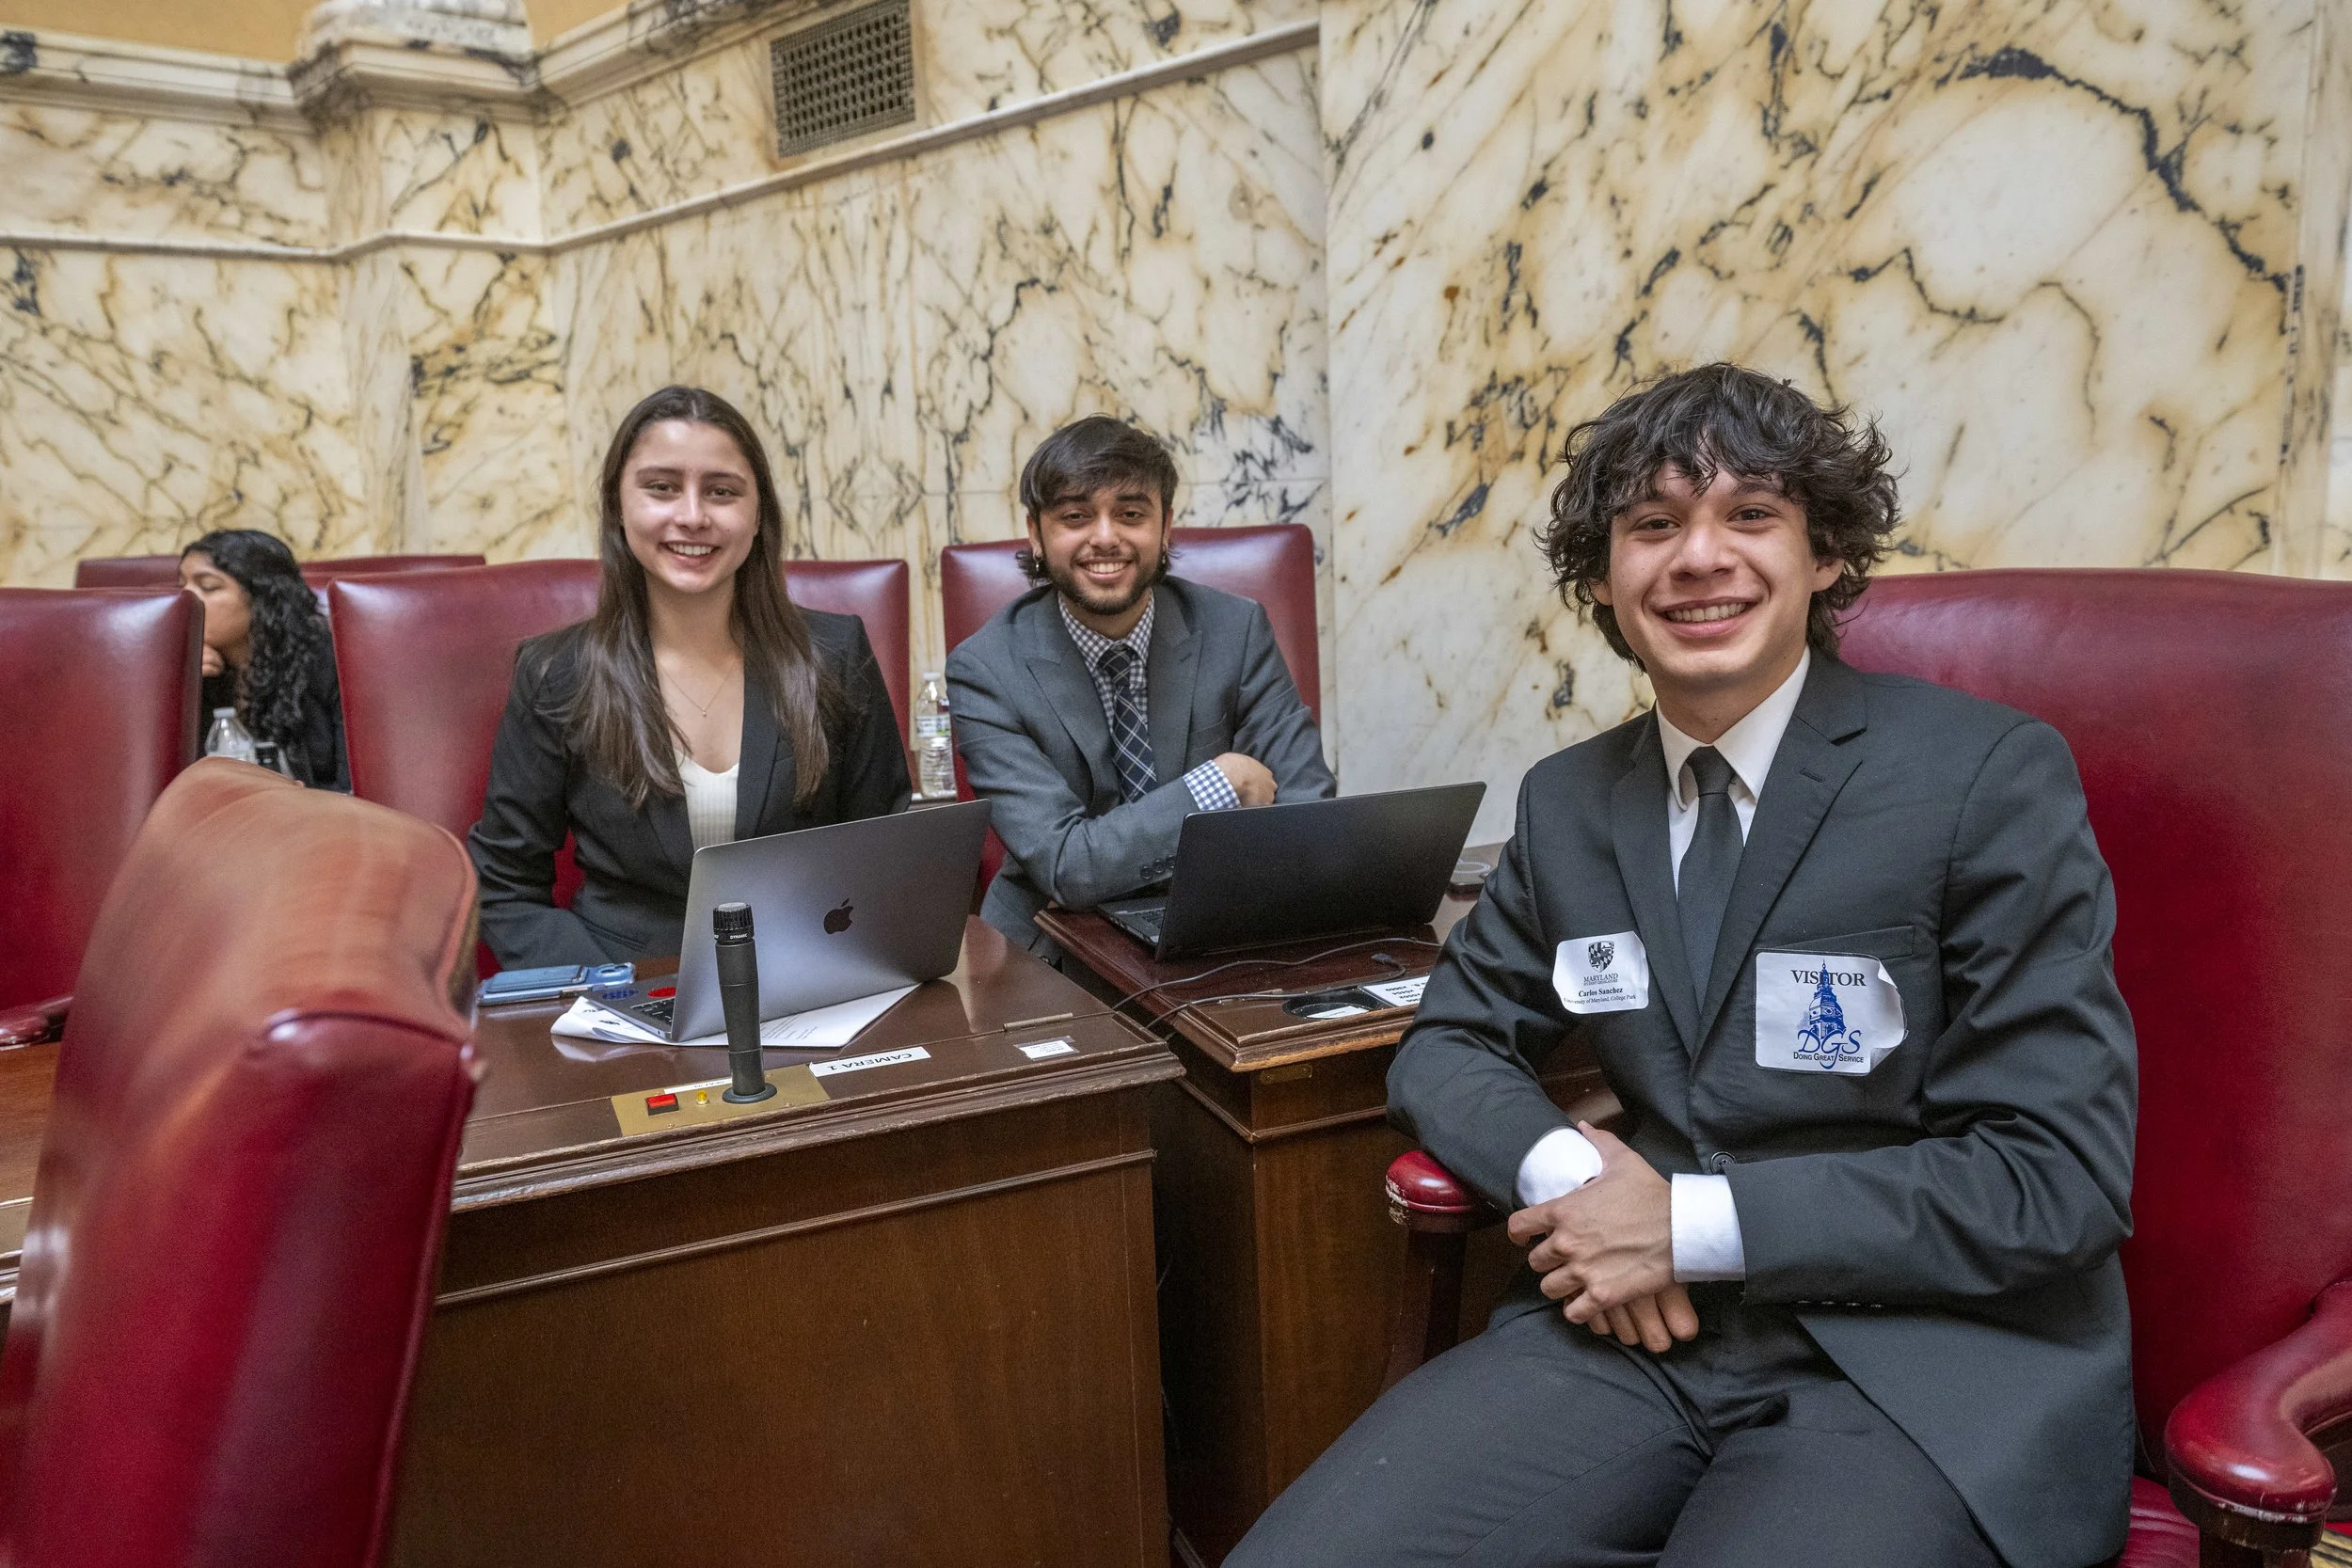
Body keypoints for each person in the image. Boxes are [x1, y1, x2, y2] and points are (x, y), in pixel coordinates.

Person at [1231, 366, 2137, 1568]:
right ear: (1601, 578)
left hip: (1917, 1365)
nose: (1699, 557)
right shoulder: (1568, 801)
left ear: (1824, 554)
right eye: (1652, 524)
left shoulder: (1981, 776)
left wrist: (1690, 1225)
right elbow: (1449, 1043)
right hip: (1635, 1333)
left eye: (1750, 514)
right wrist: (1582, 1183)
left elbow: (2054, 1175)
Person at [469, 386, 911, 969]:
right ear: (618, 504)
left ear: (758, 514)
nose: (693, 516)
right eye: (662, 487)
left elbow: (886, 856)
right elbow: (504, 886)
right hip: (624, 986)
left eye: (722, 491)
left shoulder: (835, 653)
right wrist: (607, 989)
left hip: (808, 974)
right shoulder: (557, 674)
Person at [946, 416, 1335, 957]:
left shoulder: (1236, 630)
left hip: (1222, 926)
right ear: (1036, 534)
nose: (1106, 538)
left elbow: (1308, 813)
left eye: (1131, 514)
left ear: (1165, 526)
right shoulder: (985, 669)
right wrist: (1220, 782)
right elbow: (1068, 868)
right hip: (1054, 949)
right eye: (1076, 516)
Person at [178, 530, 350, 791]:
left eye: (208, 586)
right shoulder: (187, 666)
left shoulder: (330, 660)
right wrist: (180, 685)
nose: (185, 599)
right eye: (181, 586)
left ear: (262, 598)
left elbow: (357, 783)